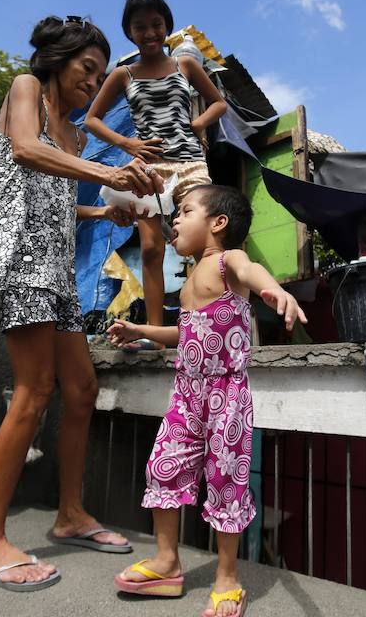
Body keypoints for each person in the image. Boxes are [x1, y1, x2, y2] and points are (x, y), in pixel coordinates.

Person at [0, 15, 163, 593]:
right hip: (21, 264)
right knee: (34, 390)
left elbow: (55, 201)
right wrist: (108, 170)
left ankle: (70, 513)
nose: (91, 81)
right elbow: (24, 151)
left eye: (100, 73)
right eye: (87, 69)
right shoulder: (25, 92)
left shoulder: (73, 134)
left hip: (57, 277)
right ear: (57, 60)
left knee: (81, 390)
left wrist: (103, 210)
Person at [106, 185, 307, 617]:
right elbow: (186, 333)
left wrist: (275, 291)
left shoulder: (226, 260)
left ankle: (227, 578)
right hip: (187, 392)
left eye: (185, 212)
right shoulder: (189, 282)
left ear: (217, 223)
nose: (175, 221)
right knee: (164, 466)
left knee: (225, 480)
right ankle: (166, 563)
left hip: (226, 395)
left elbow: (253, 270)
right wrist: (140, 331)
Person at [85, 0, 227, 348]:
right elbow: (92, 120)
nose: (149, 32)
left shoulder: (186, 64)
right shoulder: (123, 75)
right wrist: (127, 143)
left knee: (205, 241)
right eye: (139, 26)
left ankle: (210, 322)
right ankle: (154, 333)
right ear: (129, 31)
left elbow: (218, 104)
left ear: (166, 26)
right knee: (151, 248)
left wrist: (198, 125)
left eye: (156, 24)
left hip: (191, 163)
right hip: (149, 168)